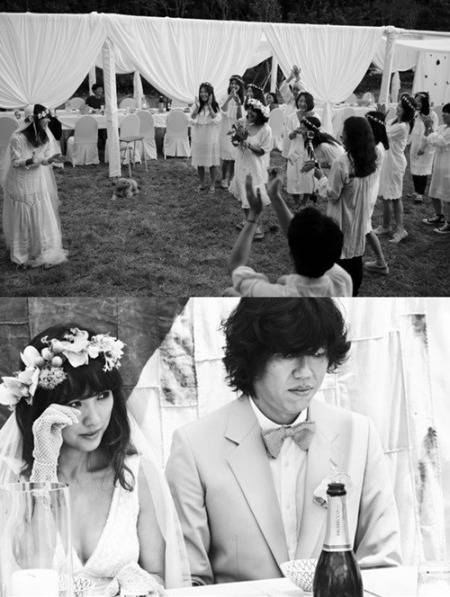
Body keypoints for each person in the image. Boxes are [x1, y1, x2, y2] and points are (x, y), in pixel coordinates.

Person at [166, 299, 402, 585]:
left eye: (317, 354)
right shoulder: (194, 445)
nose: (305, 373)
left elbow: (382, 566)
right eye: (289, 355)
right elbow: (188, 581)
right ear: (252, 358)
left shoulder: (359, 434)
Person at [0, 324, 190, 596]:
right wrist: (44, 463)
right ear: (43, 409)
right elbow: (34, 572)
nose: (94, 419)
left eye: (102, 396)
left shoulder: (136, 475)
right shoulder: (15, 484)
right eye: (75, 403)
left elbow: (158, 575)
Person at [227, 171, 352, 297]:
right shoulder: (342, 281)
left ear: (290, 255)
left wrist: (253, 216)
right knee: (283, 280)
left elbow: (236, 265)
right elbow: (302, 240)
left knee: (230, 293)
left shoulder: (271, 294)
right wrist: (275, 196)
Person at [314, 116, 378, 296]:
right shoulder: (370, 158)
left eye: (344, 132)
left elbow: (332, 194)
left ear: (351, 136)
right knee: (355, 253)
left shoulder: (342, 162)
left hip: (343, 214)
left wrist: (321, 177)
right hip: (359, 213)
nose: (341, 135)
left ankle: (341, 293)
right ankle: (354, 290)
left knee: (340, 254)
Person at [1, 104, 68, 269]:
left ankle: (43, 248)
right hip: (20, 181)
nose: (47, 123)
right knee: (23, 213)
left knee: (40, 210)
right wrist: (29, 161)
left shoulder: (43, 135)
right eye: (44, 120)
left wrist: (50, 159)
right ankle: (22, 254)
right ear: (33, 121)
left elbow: (43, 159)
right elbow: (15, 162)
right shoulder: (17, 138)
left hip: (37, 179)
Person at [229, 98, 272, 241]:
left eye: (254, 111)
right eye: (249, 109)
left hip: (255, 166)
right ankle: (248, 220)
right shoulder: (242, 122)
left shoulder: (266, 129)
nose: (250, 113)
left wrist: (248, 144)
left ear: (261, 114)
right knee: (242, 192)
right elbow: (235, 141)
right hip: (241, 163)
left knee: (253, 194)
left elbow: (263, 151)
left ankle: (255, 225)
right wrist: (236, 139)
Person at [376, 94, 416, 243]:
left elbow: (382, 134)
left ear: (406, 111)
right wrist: (382, 118)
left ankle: (400, 230)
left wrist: (380, 117)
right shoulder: (394, 121)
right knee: (386, 196)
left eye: (401, 106)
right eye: (398, 105)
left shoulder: (402, 127)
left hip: (395, 164)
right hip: (388, 161)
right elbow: (382, 130)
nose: (397, 108)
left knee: (395, 197)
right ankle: (385, 226)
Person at [363, 111, 390, 275]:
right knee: (363, 226)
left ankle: (381, 262)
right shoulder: (376, 145)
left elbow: (363, 169)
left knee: (365, 226)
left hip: (367, 189)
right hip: (370, 187)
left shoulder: (375, 149)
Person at [285, 93, 319, 206]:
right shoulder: (291, 117)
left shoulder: (316, 117)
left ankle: (304, 202)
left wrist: (307, 134)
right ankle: (297, 202)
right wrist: (295, 132)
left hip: (309, 151)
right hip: (295, 150)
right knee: (292, 176)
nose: (302, 103)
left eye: (305, 101)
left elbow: (318, 135)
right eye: (300, 101)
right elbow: (289, 136)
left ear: (310, 103)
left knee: (308, 177)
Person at [421, 102, 450, 234]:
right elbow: (430, 139)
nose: (443, 116)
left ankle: (449, 223)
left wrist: (430, 129)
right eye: (443, 113)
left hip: (448, 167)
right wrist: (430, 130)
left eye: (446, 114)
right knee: (434, 191)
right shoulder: (442, 127)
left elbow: (440, 141)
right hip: (438, 165)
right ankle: (439, 216)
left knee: (448, 196)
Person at [190, 82, 221, 193]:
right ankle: (202, 183)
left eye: (205, 92)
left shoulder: (216, 105)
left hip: (211, 137)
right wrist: (198, 107)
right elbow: (191, 119)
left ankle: (212, 184)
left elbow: (217, 120)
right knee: (200, 162)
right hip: (199, 137)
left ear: (210, 93)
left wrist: (209, 106)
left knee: (212, 162)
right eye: (201, 92)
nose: (203, 94)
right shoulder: (196, 104)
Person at [409, 92, 439, 204]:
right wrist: (409, 142)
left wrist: (423, 147)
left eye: (419, 101)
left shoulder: (432, 115)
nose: (417, 103)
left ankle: (420, 194)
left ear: (425, 102)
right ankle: (416, 190)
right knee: (414, 167)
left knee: (422, 170)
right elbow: (413, 129)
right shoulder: (416, 114)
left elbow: (432, 131)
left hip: (426, 145)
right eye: (416, 101)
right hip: (415, 144)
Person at [219, 75, 245, 189]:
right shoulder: (224, 97)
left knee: (234, 157)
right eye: (232, 83)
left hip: (236, 130)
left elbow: (240, 117)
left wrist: (239, 104)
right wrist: (229, 98)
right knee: (226, 156)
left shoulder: (243, 99)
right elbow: (222, 110)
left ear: (240, 86)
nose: (233, 86)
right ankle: (224, 178)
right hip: (226, 129)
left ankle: (232, 179)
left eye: (236, 84)